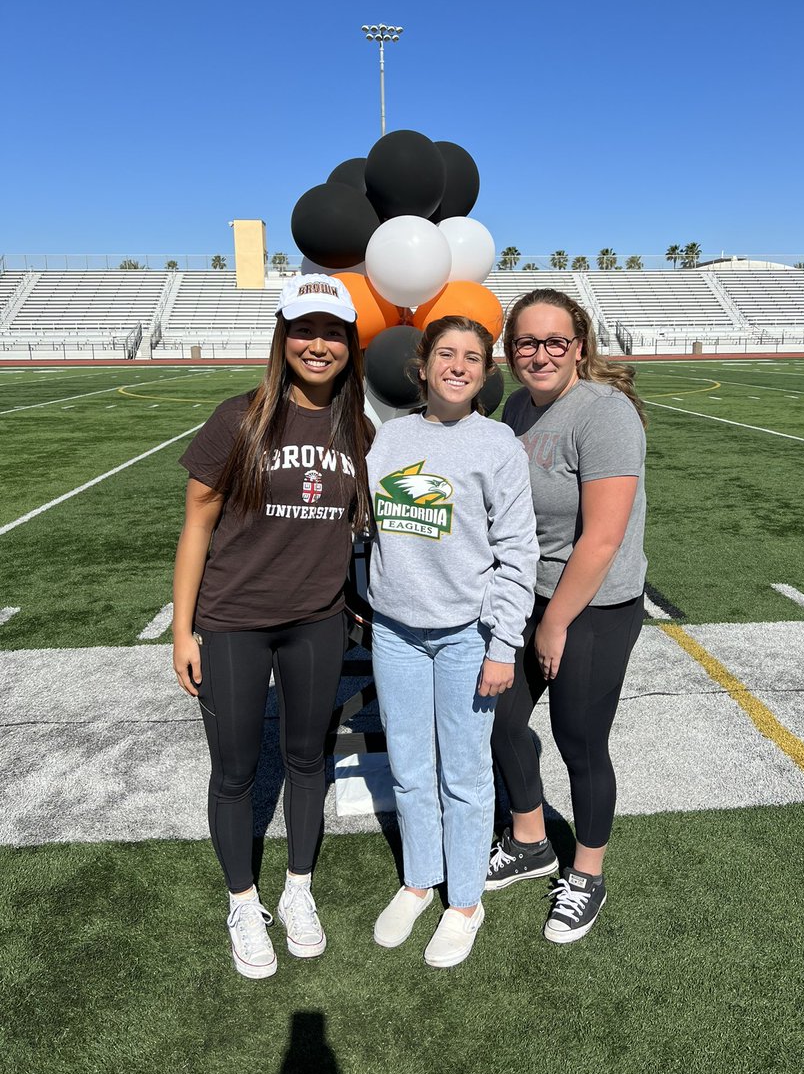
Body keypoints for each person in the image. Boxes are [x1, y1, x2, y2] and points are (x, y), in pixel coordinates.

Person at [172, 275, 372, 979]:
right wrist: (182, 629)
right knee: (233, 770)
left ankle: (298, 893)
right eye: (304, 330)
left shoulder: (359, 429)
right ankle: (241, 901)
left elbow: (355, 525)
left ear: (351, 343)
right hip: (233, 622)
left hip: (315, 623)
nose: (318, 344)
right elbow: (197, 523)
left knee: (307, 759)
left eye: (333, 332)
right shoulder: (240, 418)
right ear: (283, 336)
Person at [366, 315, 538, 968]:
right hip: (396, 632)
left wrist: (502, 645)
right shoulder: (388, 438)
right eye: (446, 353)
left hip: (467, 636)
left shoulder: (497, 444)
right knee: (409, 769)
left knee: (464, 775)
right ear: (423, 364)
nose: (458, 365)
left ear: (486, 372)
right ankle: (419, 880)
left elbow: (519, 553)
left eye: (472, 356)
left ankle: (464, 902)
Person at [487, 288, 647, 944]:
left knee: (581, 741)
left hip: (594, 605)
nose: (542, 354)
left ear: (579, 346)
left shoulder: (604, 414)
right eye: (528, 342)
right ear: (512, 350)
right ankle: (530, 839)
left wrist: (555, 624)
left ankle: (587, 872)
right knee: (494, 718)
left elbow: (602, 539)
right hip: (526, 594)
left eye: (557, 341)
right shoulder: (516, 405)